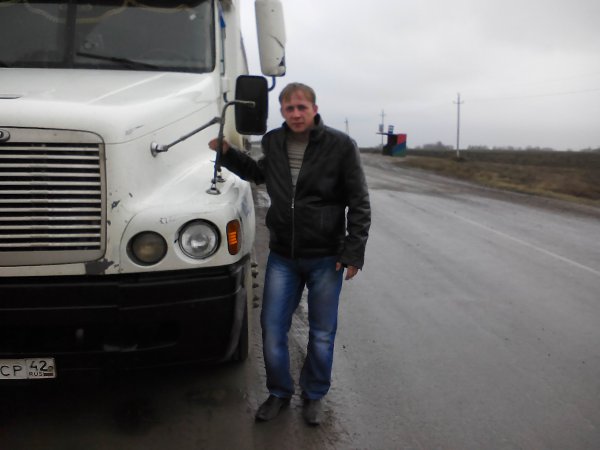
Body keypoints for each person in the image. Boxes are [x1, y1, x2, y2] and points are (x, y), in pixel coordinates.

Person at [209, 82, 370, 425]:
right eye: (289, 108)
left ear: (314, 109)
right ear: (282, 111)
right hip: (284, 254)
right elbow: (259, 174)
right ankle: (279, 392)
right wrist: (227, 153)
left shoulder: (341, 146)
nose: (296, 114)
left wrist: (353, 251)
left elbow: (358, 200)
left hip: (326, 256)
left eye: (302, 107)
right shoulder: (274, 141)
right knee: (271, 328)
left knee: (322, 333)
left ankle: (314, 395)